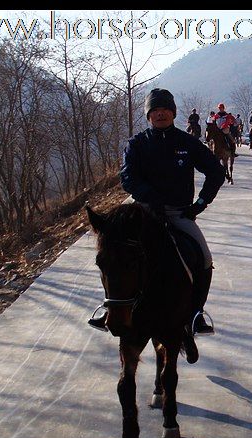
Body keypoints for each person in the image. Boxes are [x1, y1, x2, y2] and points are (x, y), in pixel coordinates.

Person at [88, 88, 226, 338]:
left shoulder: (187, 143)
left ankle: (196, 313)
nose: (160, 114)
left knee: (204, 258)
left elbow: (215, 171)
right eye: (155, 110)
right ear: (148, 115)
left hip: (177, 212)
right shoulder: (137, 144)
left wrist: (201, 203)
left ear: (173, 113)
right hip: (141, 209)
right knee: (113, 252)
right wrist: (150, 197)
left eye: (165, 110)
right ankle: (109, 309)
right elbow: (127, 177)